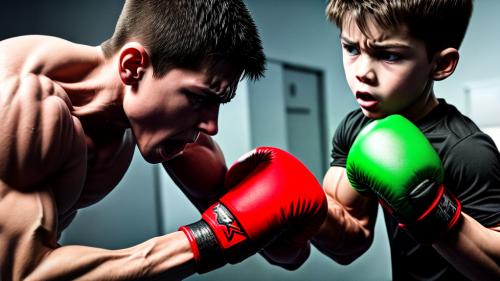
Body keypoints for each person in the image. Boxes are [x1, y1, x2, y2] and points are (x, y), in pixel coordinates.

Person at [0, 0, 328, 280]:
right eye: (199, 97)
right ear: (133, 67)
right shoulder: (23, 105)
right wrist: (206, 240)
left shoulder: (173, 135)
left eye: (219, 103)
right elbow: (24, 272)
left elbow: (281, 250)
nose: (211, 126)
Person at [311, 0, 500, 280]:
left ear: (441, 64)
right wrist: (301, 213)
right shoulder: (356, 128)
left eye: (388, 55)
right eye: (351, 48)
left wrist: (433, 211)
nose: (362, 71)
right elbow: (351, 240)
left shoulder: (467, 150)